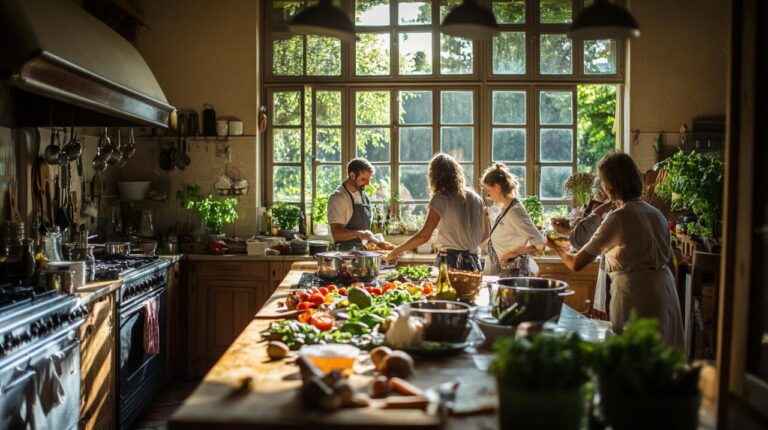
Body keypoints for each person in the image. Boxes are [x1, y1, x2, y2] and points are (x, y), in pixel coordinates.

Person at [546, 152, 684, 347]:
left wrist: (554, 247)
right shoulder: (656, 214)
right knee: (661, 358)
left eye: (603, 181)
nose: (602, 186)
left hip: (636, 295)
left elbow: (576, 263)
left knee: (633, 357)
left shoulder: (618, 217)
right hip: (666, 292)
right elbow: (671, 262)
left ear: (611, 185)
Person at [383, 153, 488, 270]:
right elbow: (486, 232)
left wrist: (395, 252)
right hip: (473, 263)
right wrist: (468, 245)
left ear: (434, 176)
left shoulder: (441, 197)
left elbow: (424, 236)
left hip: (450, 262)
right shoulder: (476, 197)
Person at [481, 163, 545, 276]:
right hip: (505, 272)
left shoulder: (515, 211)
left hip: (515, 274)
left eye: (488, 190)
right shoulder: (506, 208)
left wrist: (513, 252)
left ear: (497, 188)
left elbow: (541, 243)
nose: (488, 195)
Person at [327, 158, 377, 251]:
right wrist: (360, 234)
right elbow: (336, 234)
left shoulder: (364, 196)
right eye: (363, 179)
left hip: (364, 254)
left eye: (369, 179)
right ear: (352, 175)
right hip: (345, 257)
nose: (368, 183)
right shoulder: (337, 198)